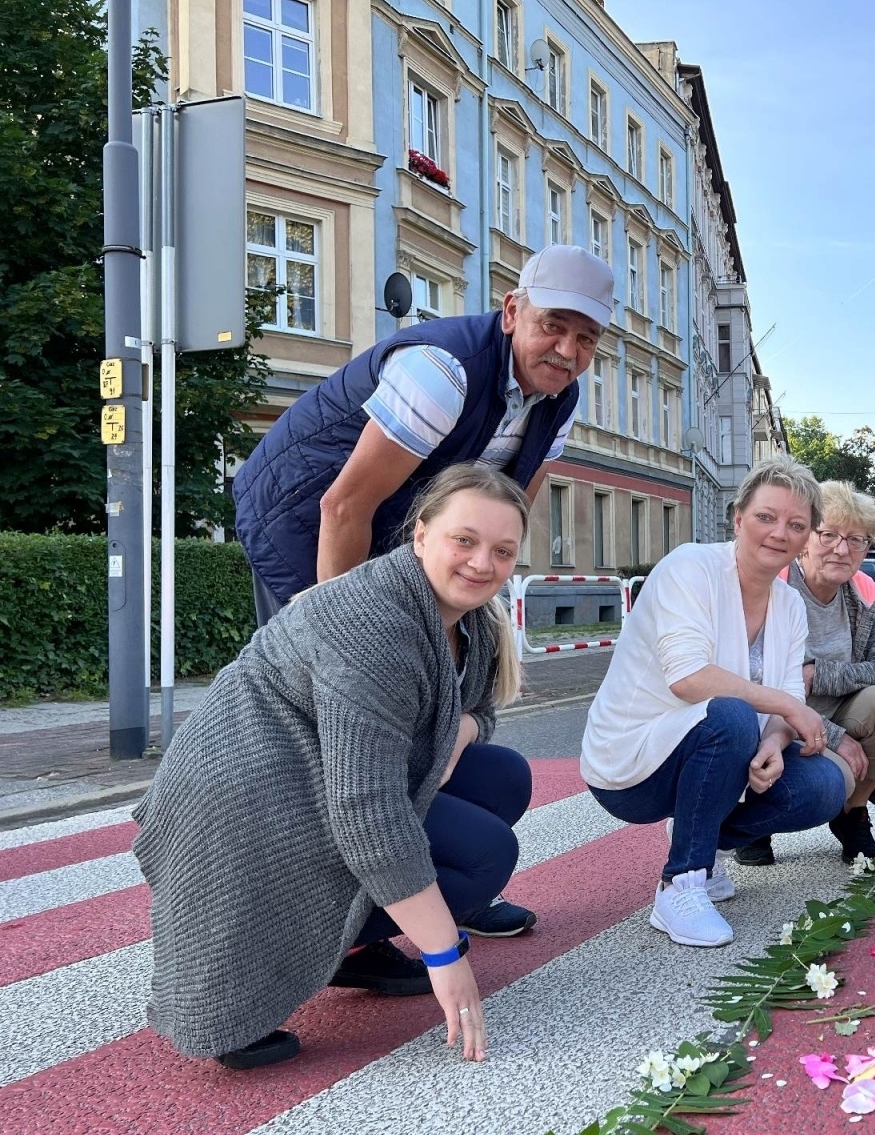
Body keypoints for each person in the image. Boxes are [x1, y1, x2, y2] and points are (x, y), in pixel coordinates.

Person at [230, 244, 611, 938]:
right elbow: (344, 508)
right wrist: (340, 647)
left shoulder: (560, 399)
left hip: (408, 535)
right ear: (511, 311)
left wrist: (473, 603)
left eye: (586, 338)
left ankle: (422, 884)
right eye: (553, 324)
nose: (566, 348)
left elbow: (507, 512)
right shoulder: (441, 371)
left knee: (432, 722)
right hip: (307, 518)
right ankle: (311, 927)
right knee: (331, 727)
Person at [134, 466, 535, 1069]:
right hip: (246, 791)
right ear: (420, 534)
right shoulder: (374, 625)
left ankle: (351, 948)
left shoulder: (466, 619)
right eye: (465, 540)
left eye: (503, 551)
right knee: (485, 855)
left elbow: (478, 707)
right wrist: (445, 955)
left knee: (503, 776)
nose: (483, 563)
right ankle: (314, 945)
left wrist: (462, 731)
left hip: (318, 770)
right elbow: (365, 811)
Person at [580, 456, 860, 947]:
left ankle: (700, 843)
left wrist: (777, 736)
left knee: (824, 784)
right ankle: (680, 884)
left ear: (806, 537)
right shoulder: (692, 567)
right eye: (765, 517)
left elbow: (788, 699)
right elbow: (689, 678)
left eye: (796, 525)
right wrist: (785, 709)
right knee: (730, 714)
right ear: (738, 518)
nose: (779, 533)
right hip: (633, 766)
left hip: (721, 754)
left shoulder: (789, 603)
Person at [734, 480, 875, 867]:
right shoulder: (775, 586)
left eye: (856, 539)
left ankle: (851, 813)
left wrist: (819, 675)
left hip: (839, 713)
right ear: (806, 536)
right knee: (826, 784)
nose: (842, 548)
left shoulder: (864, 595)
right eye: (829, 534)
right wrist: (836, 738)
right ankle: (751, 821)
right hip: (773, 721)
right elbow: (758, 682)